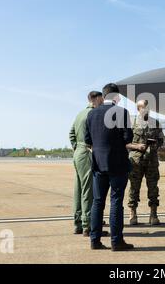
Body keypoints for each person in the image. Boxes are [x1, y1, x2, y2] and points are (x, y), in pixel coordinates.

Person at [85, 83, 134, 251]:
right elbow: (128, 138)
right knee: (116, 202)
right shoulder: (122, 113)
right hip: (118, 164)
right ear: (116, 97)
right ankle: (116, 241)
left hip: (98, 164)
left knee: (98, 202)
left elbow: (88, 140)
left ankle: (95, 240)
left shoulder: (91, 114)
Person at [69, 91, 104, 236]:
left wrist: (77, 148)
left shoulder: (80, 114)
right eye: (101, 98)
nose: (103, 101)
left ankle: (77, 223)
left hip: (78, 153)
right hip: (88, 152)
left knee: (78, 189)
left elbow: (71, 134)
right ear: (95, 99)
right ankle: (87, 225)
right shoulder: (93, 114)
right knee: (88, 190)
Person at [127, 100, 164, 226]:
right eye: (144, 108)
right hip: (136, 161)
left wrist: (154, 144)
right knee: (133, 188)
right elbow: (126, 142)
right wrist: (137, 146)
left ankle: (153, 214)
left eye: (148, 108)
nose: (147, 110)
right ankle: (133, 213)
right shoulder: (132, 122)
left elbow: (161, 140)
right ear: (138, 109)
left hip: (152, 160)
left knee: (153, 188)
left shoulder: (155, 123)